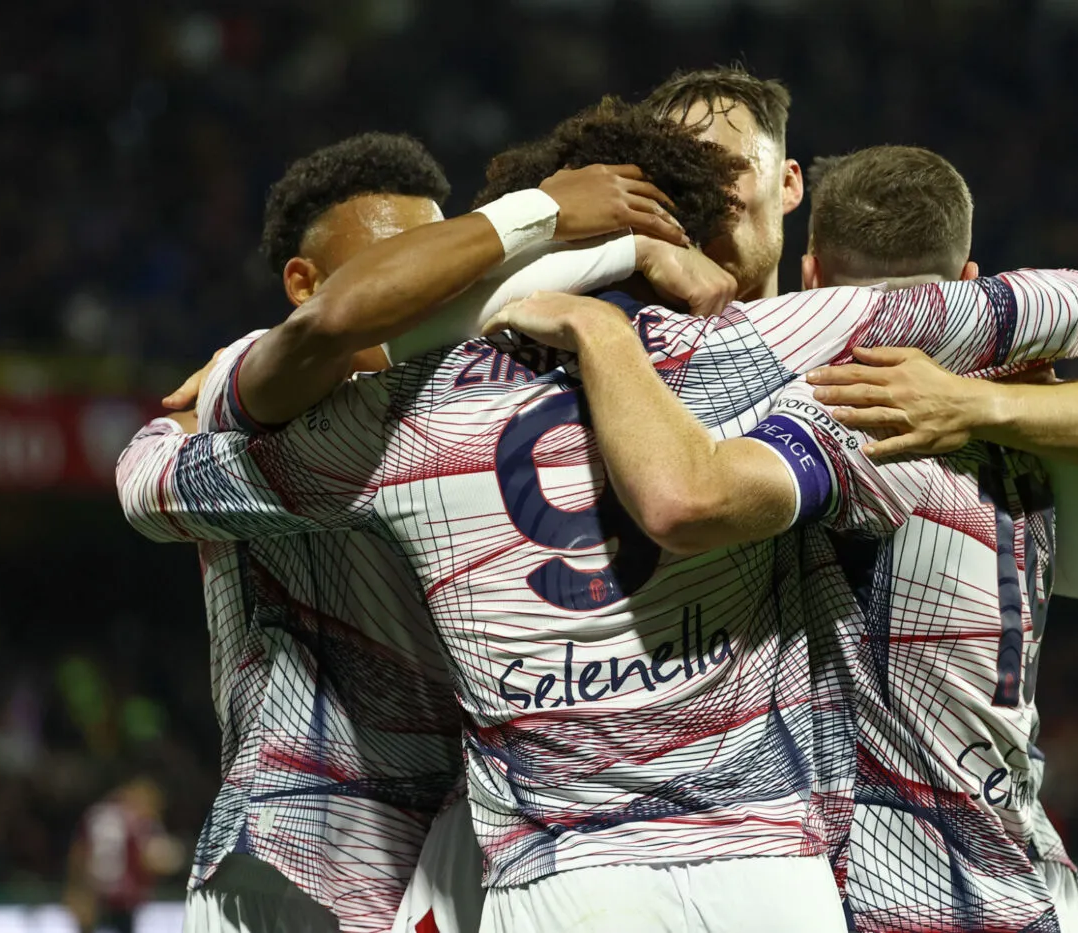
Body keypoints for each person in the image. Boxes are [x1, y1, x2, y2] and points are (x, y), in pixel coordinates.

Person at [118, 100, 1078, 933]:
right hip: (776, 871)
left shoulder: (400, 419)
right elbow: (1011, 309)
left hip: (547, 875)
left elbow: (158, 482)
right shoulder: (771, 357)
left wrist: (215, 394)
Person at [494, 145, 1078, 933]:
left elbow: (692, 493)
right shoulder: (1020, 405)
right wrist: (1012, 403)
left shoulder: (841, 403)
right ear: (966, 280)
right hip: (1027, 872)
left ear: (812, 274)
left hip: (895, 890)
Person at [154, 130, 694, 933]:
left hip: (458, 857)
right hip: (298, 860)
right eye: (407, 265)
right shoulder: (248, 399)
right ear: (305, 283)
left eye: (449, 263)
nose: (434, 288)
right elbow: (335, 334)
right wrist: (549, 216)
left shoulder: (467, 399)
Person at [644, 65, 802, 301]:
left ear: (788, 185)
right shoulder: (601, 320)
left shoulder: (847, 320)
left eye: (730, 170)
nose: (710, 196)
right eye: (683, 176)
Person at [65, 776, 183, 933]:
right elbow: (151, 860)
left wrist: (76, 889)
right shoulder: (139, 822)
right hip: (118, 899)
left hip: (95, 894)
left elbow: (79, 852)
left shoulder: (98, 814)